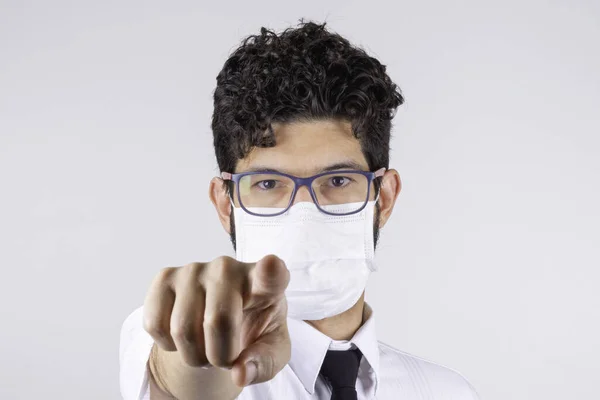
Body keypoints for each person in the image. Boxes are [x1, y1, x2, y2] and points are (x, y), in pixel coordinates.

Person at [119, 20, 480, 400]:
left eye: (338, 180)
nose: (305, 213)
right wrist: (209, 353)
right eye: (268, 183)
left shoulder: (447, 391)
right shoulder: (173, 328)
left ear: (384, 197)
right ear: (226, 204)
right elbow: (179, 379)